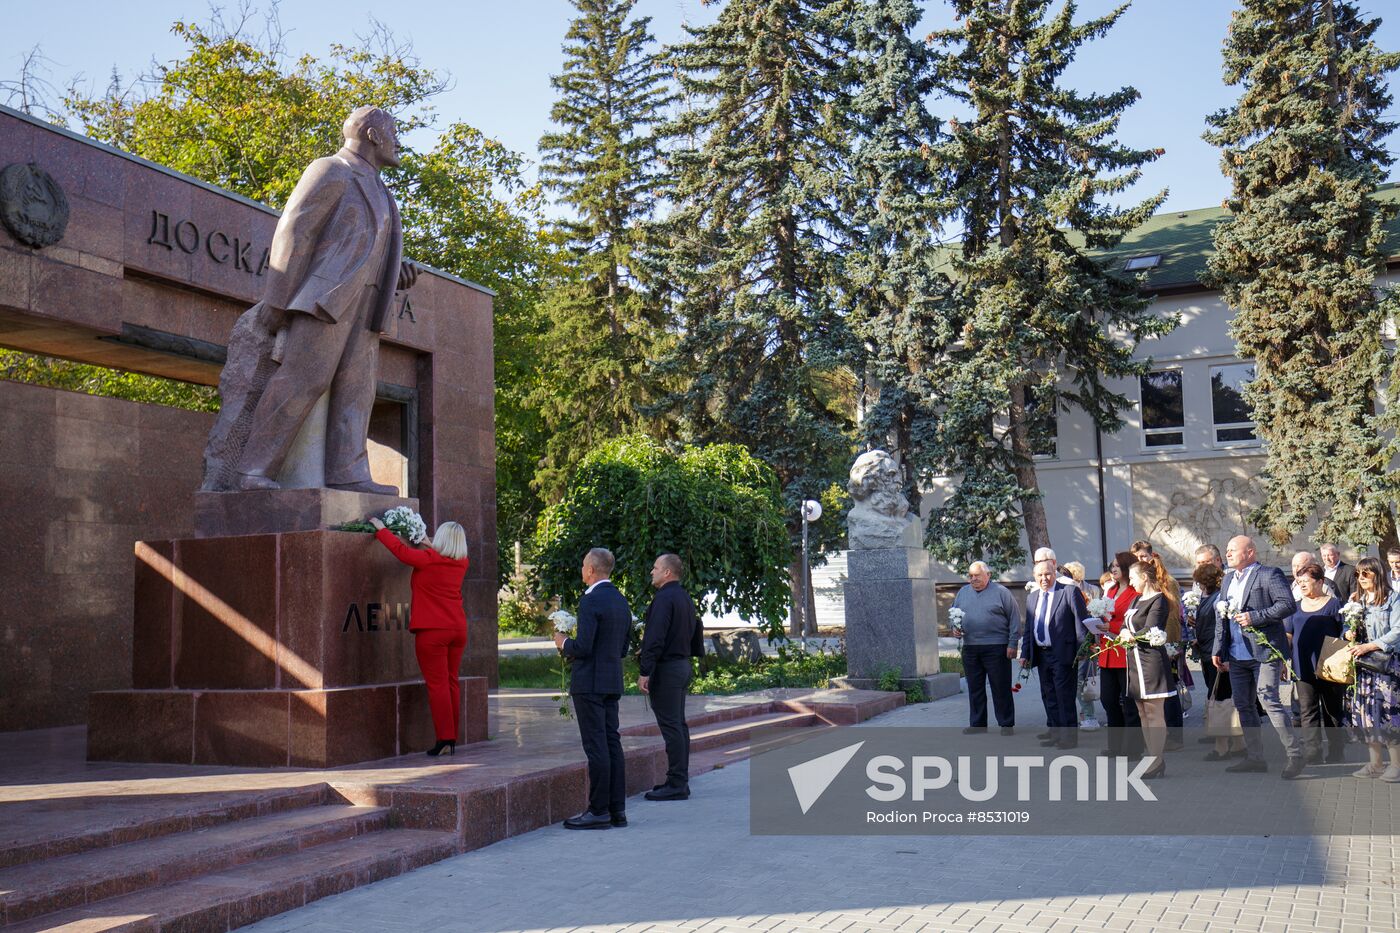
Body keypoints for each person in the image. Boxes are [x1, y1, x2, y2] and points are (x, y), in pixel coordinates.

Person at [231, 106, 419, 494]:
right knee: (303, 380)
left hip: (368, 304)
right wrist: (276, 302)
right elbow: (294, 231)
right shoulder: (331, 169)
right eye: (394, 132)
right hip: (324, 299)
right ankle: (251, 470)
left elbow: (363, 246)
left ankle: (348, 473)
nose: (399, 142)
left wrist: (394, 269)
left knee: (358, 390)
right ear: (372, 134)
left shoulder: (382, 189)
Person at [370, 517, 468, 756]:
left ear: (442, 540)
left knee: (438, 685)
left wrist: (382, 530)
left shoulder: (428, 560)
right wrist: (428, 543)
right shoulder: (462, 562)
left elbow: (402, 552)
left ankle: (445, 738)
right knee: (451, 681)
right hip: (458, 629)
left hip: (432, 632)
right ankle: (452, 737)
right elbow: (442, 554)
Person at [1212, 535, 1305, 779]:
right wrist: (1218, 649)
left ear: (1250, 552)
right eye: (1227, 550)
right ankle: (1255, 757)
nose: (1228, 554)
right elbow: (1221, 616)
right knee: (1243, 704)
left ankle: (1295, 755)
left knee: (1268, 700)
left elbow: (1287, 605)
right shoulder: (1228, 578)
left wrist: (1256, 617)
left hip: (1264, 651)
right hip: (1236, 652)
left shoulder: (1268, 574)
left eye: (1233, 550)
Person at [555, 548, 633, 828]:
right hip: (612, 680)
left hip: (589, 683)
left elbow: (584, 647)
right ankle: (617, 810)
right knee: (612, 743)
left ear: (590, 570)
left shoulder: (590, 601)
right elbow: (623, 647)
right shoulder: (621, 601)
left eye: (583, 565)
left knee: (596, 746)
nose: (582, 570)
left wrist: (563, 643)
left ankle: (598, 810)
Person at [637, 553, 706, 800]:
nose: (651, 572)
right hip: (682, 664)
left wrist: (645, 670)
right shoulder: (684, 597)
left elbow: (654, 637)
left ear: (667, 572)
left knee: (672, 726)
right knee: (678, 724)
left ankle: (676, 784)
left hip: (667, 670)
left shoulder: (664, 599)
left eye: (655, 568)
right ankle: (678, 780)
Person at [1021, 558, 1089, 749]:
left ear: (1054, 573)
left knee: (1064, 695)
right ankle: (1055, 731)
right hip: (1041, 654)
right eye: (1040, 575)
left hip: (1064, 653)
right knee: (1048, 694)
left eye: (1048, 573)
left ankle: (1069, 737)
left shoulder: (1068, 592)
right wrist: (1025, 653)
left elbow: (1081, 622)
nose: (1044, 578)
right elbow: (1029, 628)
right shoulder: (1032, 597)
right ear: (1035, 577)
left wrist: (1082, 650)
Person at [1345, 556, 1400, 782]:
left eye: (1366, 573)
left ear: (1377, 573)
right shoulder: (1357, 601)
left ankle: (1396, 765)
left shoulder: (1392, 599)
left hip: (1385, 667)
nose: (1361, 578)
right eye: (1359, 574)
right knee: (1366, 716)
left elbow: (1398, 631)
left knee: (1388, 715)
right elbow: (1349, 629)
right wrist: (1348, 633)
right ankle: (1375, 763)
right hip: (1363, 668)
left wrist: (1371, 645)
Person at [951, 561, 1021, 735]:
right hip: (971, 647)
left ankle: (1006, 723)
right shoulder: (963, 593)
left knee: (1000, 687)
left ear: (988, 575)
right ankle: (978, 724)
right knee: (975, 687)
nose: (974, 579)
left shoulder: (1001, 593)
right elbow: (954, 613)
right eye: (971, 576)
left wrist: (1013, 643)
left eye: (977, 575)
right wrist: (954, 627)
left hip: (997, 646)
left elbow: (1014, 618)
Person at [1123, 560, 1177, 779]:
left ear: (1144, 577)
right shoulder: (1136, 598)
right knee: (1142, 712)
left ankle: (1156, 760)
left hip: (1151, 661)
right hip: (1134, 661)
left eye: (1133, 577)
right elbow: (1128, 624)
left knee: (1154, 712)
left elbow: (1151, 628)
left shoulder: (1159, 600)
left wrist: (1132, 636)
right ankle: (1152, 758)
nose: (1131, 582)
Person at [1287, 562, 1345, 764]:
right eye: (1299, 581)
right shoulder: (1294, 607)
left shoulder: (1334, 605)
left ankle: (1337, 751)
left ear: (1320, 581)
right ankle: (1313, 751)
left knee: (1332, 710)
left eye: (1306, 581)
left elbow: (1344, 632)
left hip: (1330, 666)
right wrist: (1282, 659)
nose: (1302, 585)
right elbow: (1288, 634)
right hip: (1302, 666)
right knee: (1307, 709)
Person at [1193, 562, 1244, 761]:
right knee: (1224, 698)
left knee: (1220, 699)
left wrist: (1221, 654)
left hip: (1216, 655)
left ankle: (1222, 746)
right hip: (1208, 652)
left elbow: (1220, 629)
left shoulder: (1217, 600)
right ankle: (1239, 744)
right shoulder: (1207, 598)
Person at [1097, 552, 1145, 759]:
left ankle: (1133, 748)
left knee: (1130, 702)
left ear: (1127, 568)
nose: (1113, 569)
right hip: (1107, 652)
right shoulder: (1111, 590)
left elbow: (1137, 621)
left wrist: (1112, 625)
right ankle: (1115, 745)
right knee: (1108, 700)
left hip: (1125, 653)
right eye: (1111, 566)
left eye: (1117, 566)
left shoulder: (1136, 592)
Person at [1062, 561, 1102, 730]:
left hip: (1086, 638)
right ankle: (1082, 714)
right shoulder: (1064, 589)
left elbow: (1097, 611)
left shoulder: (1091, 590)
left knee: (1083, 679)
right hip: (1071, 639)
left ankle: (1089, 715)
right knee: (1078, 679)